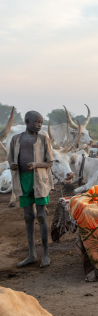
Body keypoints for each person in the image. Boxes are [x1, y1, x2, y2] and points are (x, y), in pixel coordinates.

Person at [8, 111, 54, 268]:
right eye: (37, 122)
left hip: (40, 181)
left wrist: (36, 165)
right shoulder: (16, 139)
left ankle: (46, 254)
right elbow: (11, 160)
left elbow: (50, 163)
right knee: (28, 216)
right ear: (27, 122)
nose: (40, 125)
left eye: (41, 122)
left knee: (41, 216)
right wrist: (13, 166)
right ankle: (32, 254)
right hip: (23, 180)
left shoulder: (43, 139)